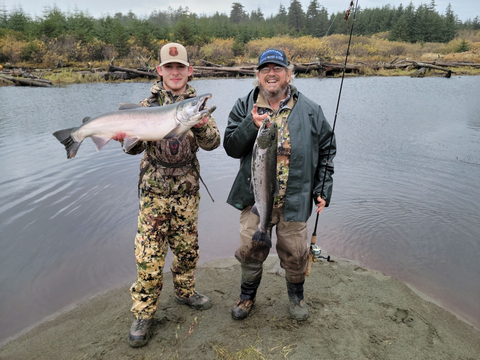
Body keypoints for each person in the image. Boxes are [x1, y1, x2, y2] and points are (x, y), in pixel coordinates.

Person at [113, 42, 221, 347]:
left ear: (189, 70)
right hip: (154, 192)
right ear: (160, 70)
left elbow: (214, 142)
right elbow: (132, 149)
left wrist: (199, 125)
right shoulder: (145, 106)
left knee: (187, 248)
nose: (175, 72)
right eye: (169, 67)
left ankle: (185, 291)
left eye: (181, 67)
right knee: (149, 253)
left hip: (187, 189)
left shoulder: (197, 105)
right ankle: (144, 313)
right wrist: (125, 137)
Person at [223, 48, 335, 321]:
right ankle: (247, 297)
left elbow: (327, 150)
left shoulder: (310, 110)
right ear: (258, 76)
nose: (271, 74)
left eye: (277, 69)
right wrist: (251, 124)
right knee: (251, 250)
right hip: (255, 198)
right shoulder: (244, 105)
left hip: (294, 198)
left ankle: (296, 297)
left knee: (296, 254)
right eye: (265, 70)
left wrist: (322, 189)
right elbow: (231, 147)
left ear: (289, 74)